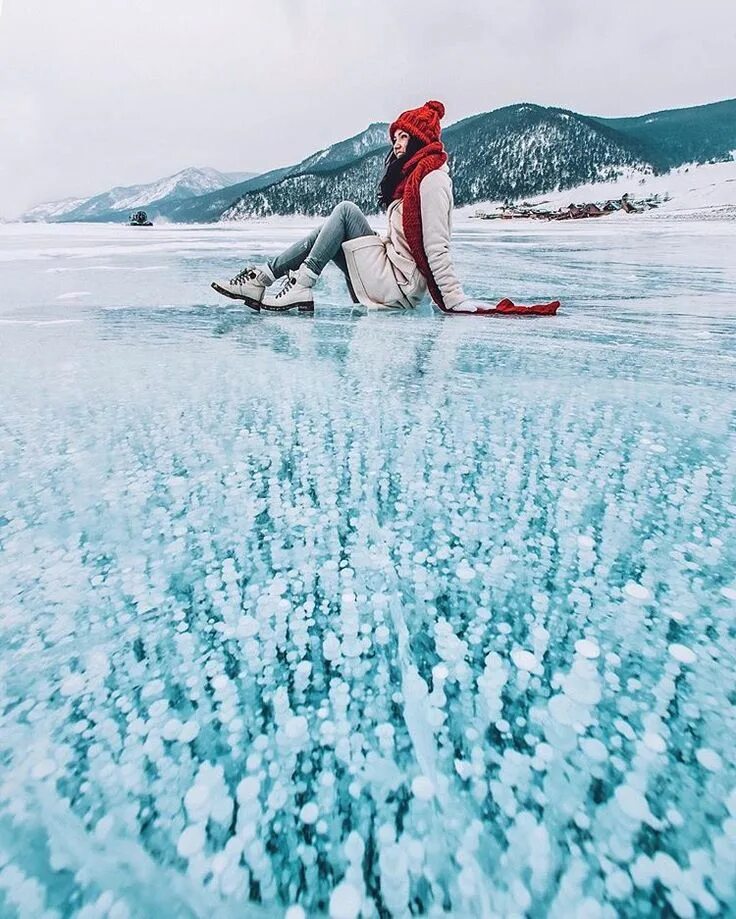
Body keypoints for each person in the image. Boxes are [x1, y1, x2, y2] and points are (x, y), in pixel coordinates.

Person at [211, 100, 559, 318]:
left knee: (346, 213)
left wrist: (453, 298)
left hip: (399, 286)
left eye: (404, 136)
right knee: (331, 231)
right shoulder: (409, 179)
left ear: (421, 139)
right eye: (395, 136)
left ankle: (296, 284)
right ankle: (263, 279)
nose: (396, 141)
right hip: (390, 271)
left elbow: (437, 245)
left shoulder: (432, 181)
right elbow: (402, 239)